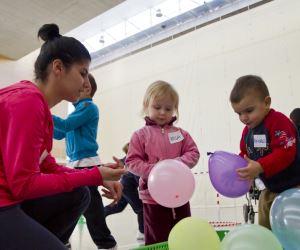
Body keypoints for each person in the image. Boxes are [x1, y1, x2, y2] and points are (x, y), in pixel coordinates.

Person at [0, 23, 126, 250]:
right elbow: (24, 185)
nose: (87, 84)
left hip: (11, 200)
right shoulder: (28, 103)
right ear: (58, 67)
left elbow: (46, 163)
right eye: (83, 73)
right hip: (5, 202)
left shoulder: (37, 106)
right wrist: (93, 174)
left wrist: (96, 177)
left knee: (79, 194)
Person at [125, 80, 200, 245]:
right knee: (157, 238)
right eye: (157, 107)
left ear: (175, 109)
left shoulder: (181, 134)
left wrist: (177, 164)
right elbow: (132, 161)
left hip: (180, 195)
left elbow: (193, 152)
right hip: (153, 197)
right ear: (147, 105)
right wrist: (155, 170)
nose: (162, 113)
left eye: (168, 108)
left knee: (183, 233)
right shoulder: (140, 135)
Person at [53, 73, 119, 250]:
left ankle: (106, 244)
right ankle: (63, 239)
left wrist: (41, 112)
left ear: (86, 87)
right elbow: (60, 133)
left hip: (87, 164)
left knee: (92, 208)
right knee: (73, 204)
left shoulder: (89, 107)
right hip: (75, 165)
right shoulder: (76, 113)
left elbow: (65, 126)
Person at [230, 75, 300, 229]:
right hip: (270, 190)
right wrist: (238, 167)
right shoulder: (247, 132)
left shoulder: (278, 121)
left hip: (295, 187)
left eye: (248, 110)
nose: (243, 118)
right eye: (239, 113)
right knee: (265, 227)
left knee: (293, 229)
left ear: (266, 102)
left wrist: (260, 166)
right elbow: (244, 154)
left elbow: (286, 152)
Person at [104, 143, 144, 241]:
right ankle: (142, 233)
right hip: (127, 189)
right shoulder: (133, 160)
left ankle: (101, 212)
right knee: (141, 209)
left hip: (124, 187)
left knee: (119, 207)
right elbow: (140, 182)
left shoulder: (130, 157)